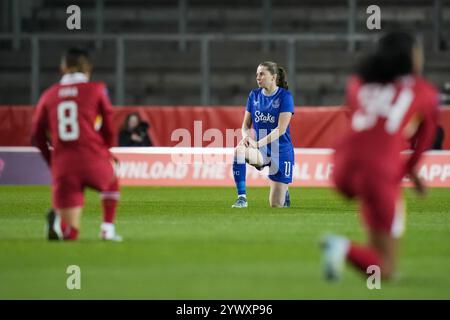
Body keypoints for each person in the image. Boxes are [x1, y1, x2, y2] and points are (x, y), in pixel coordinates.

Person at [321, 32, 440, 281]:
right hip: (378, 168)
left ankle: (369, 248)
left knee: (381, 197)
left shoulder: (358, 83)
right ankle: (340, 247)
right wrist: (411, 170)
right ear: (410, 57)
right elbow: (425, 138)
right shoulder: (424, 92)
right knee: (385, 269)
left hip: (342, 163)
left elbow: (358, 117)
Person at [31, 47, 122, 241]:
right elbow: (109, 125)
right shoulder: (96, 89)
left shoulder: (49, 95)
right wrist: (106, 151)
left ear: (62, 69)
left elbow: (36, 134)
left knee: (70, 234)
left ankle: (59, 223)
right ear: (88, 69)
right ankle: (107, 229)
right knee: (113, 177)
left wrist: (52, 160)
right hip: (90, 156)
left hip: (63, 164)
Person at [231, 61, 295, 208]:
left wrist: (258, 143)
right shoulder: (254, 95)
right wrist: (246, 137)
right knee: (239, 151)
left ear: (273, 77)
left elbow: (281, 129)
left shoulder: (285, 97)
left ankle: (284, 191)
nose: (258, 77)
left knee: (276, 205)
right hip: (262, 150)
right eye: (257, 75)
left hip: (281, 151)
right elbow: (245, 126)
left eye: (262, 74)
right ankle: (242, 198)